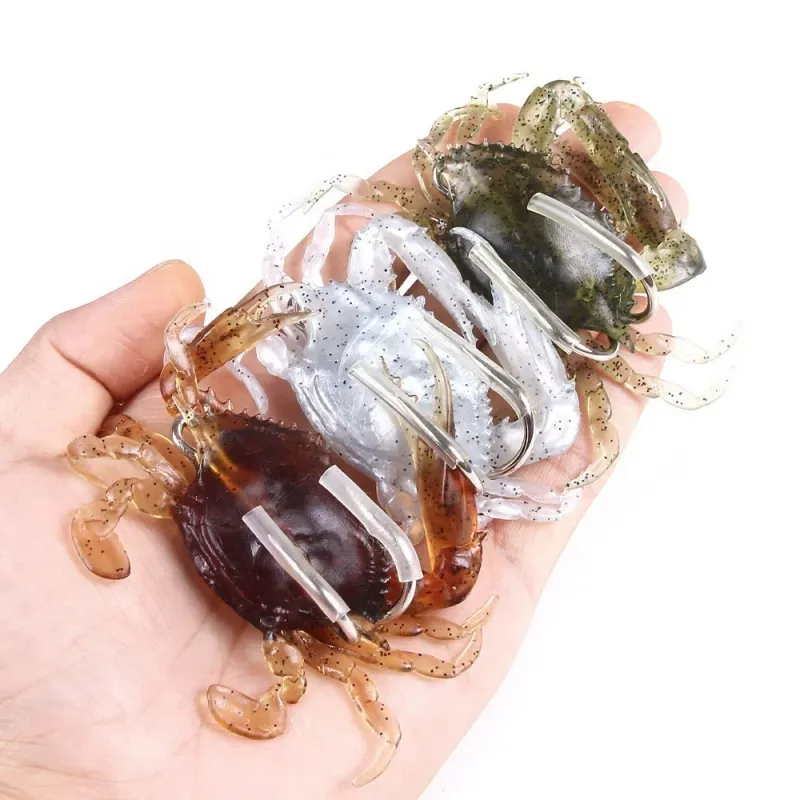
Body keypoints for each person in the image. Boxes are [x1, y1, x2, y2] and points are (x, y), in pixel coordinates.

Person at [0, 102, 683, 800]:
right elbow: (438, 608)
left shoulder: (196, 457)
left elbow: (176, 392)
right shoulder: (357, 552)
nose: (327, 464)